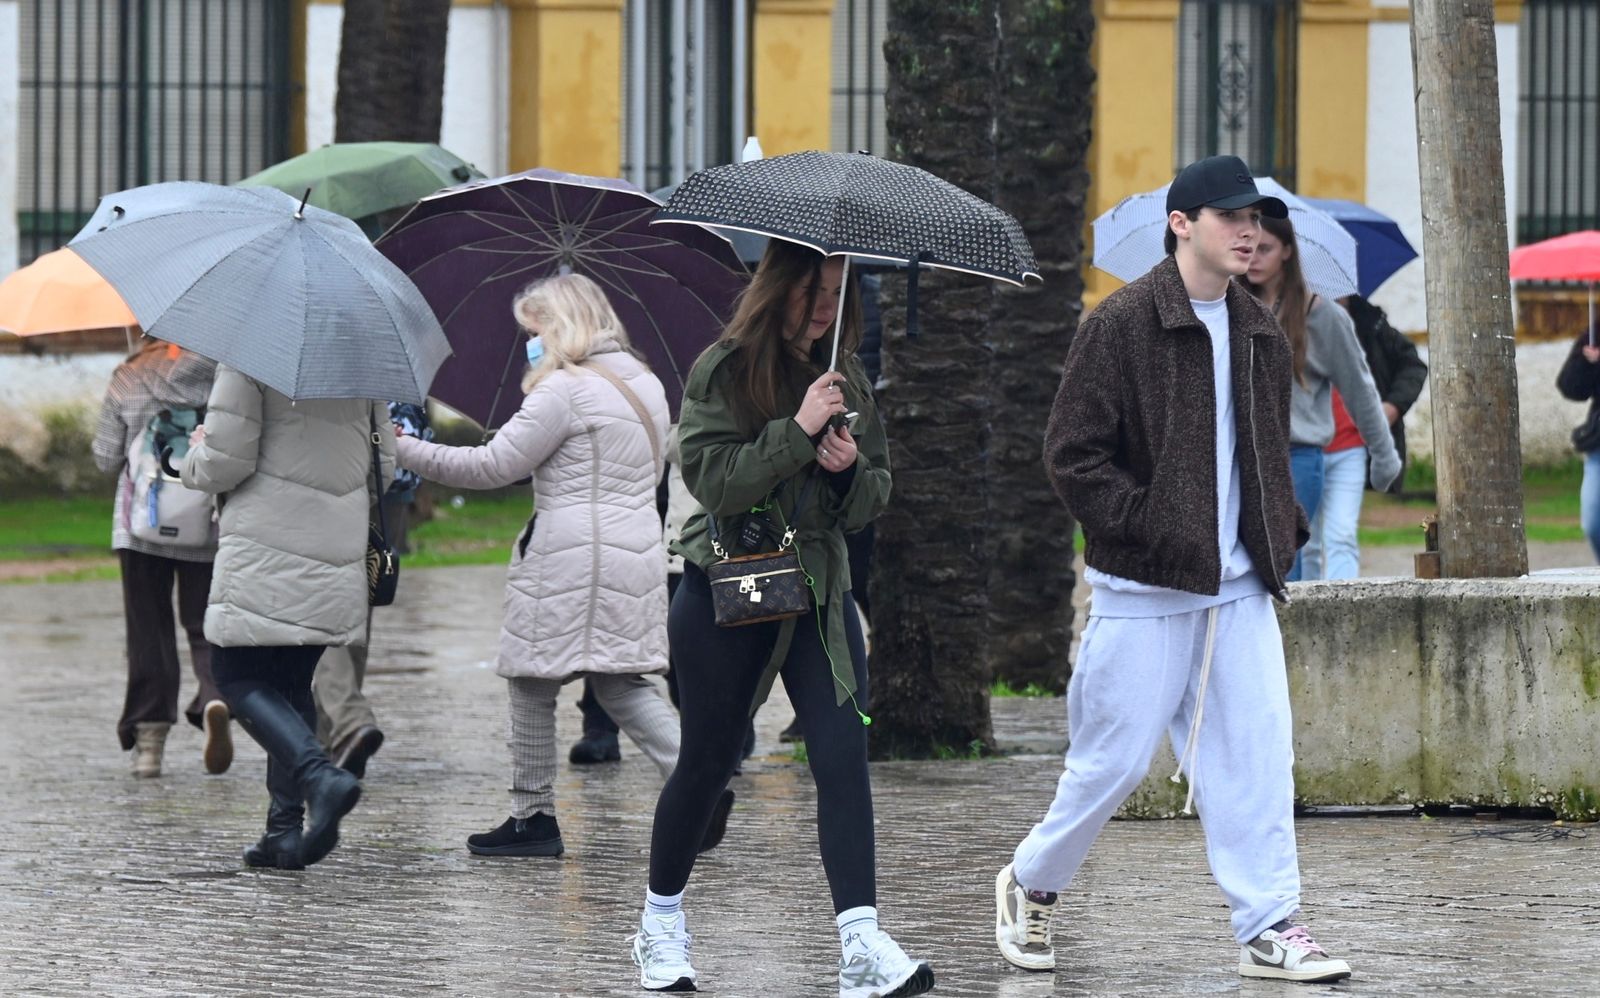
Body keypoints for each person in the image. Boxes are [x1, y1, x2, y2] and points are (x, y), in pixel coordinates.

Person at [993, 156, 1352, 985]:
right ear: (1181, 223)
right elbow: (1072, 456)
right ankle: (1031, 882)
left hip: (1240, 587)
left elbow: (1266, 452)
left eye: (1257, 219)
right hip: (1145, 586)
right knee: (1112, 763)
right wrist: (1149, 525)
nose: (1250, 233)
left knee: (1257, 757)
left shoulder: (1261, 331)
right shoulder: (1121, 324)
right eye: (1231, 218)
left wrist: (1281, 530)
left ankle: (1269, 924)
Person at [629, 241, 933, 998]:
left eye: (837, 291)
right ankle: (659, 924)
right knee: (708, 762)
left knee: (841, 756)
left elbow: (875, 495)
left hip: (820, 595)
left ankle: (860, 942)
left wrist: (848, 470)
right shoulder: (723, 370)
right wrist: (796, 431)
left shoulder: (845, 373)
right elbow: (715, 483)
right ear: (778, 289)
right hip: (729, 587)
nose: (826, 307)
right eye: (811, 291)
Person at [394, 273, 688, 859]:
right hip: (635, 550)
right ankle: (699, 781)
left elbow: (491, 467)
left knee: (532, 679)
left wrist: (400, 446)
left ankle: (533, 817)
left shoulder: (564, 389)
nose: (530, 342)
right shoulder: (646, 382)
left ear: (562, 324)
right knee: (621, 679)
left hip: (570, 556)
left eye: (535, 330)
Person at [181, 364, 390, 870]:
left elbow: (224, 462)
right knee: (293, 684)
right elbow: (384, 461)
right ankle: (283, 832)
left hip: (266, 545)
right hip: (335, 545)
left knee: (233, 674)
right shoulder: (364, 363)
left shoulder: (251, 358)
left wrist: (196, 452)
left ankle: (320, 776)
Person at [90, 338, 229, 778]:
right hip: (207, 522)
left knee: (148, 631)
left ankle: (149, 743)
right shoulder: (227, 375)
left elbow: (104, 457)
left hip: (141, 529)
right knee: (206, 624)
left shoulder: (129, 375)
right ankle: (215, 697)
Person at [1241, 215, 1401, 580]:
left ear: (1287, 251)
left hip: (1297, 458)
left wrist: (1383, 455)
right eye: (1248, 247)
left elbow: (1360, 391)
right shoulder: (1229, 308)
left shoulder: (1323, 317)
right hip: (1242, 457)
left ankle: (1291, 619)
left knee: (1286, 564)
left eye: (1264, 249)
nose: (1253, 257)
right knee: (1245, 568)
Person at [311, 401, 433, 778]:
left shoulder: (328, 373)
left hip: (344, 478)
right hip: (388, 481)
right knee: (353, 607)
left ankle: (347, 724)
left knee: (326, 605)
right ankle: (336, 740)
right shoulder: (394, 369)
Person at [1301, 295, 1428, 579]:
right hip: (1303, 450)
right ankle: (1301, 603)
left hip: (1350, 448)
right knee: (1305, 541)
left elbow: (1412, 366)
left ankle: (1342, 603)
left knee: (1342, 535)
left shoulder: (1371, 324)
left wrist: (1392, 407)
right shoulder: (1287, 318)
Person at [1556, 321, 1600, 562]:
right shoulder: (1596, 334)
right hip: (1598, 446)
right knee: (1594, 523)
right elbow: (1570, 387)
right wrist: (1586, 362)